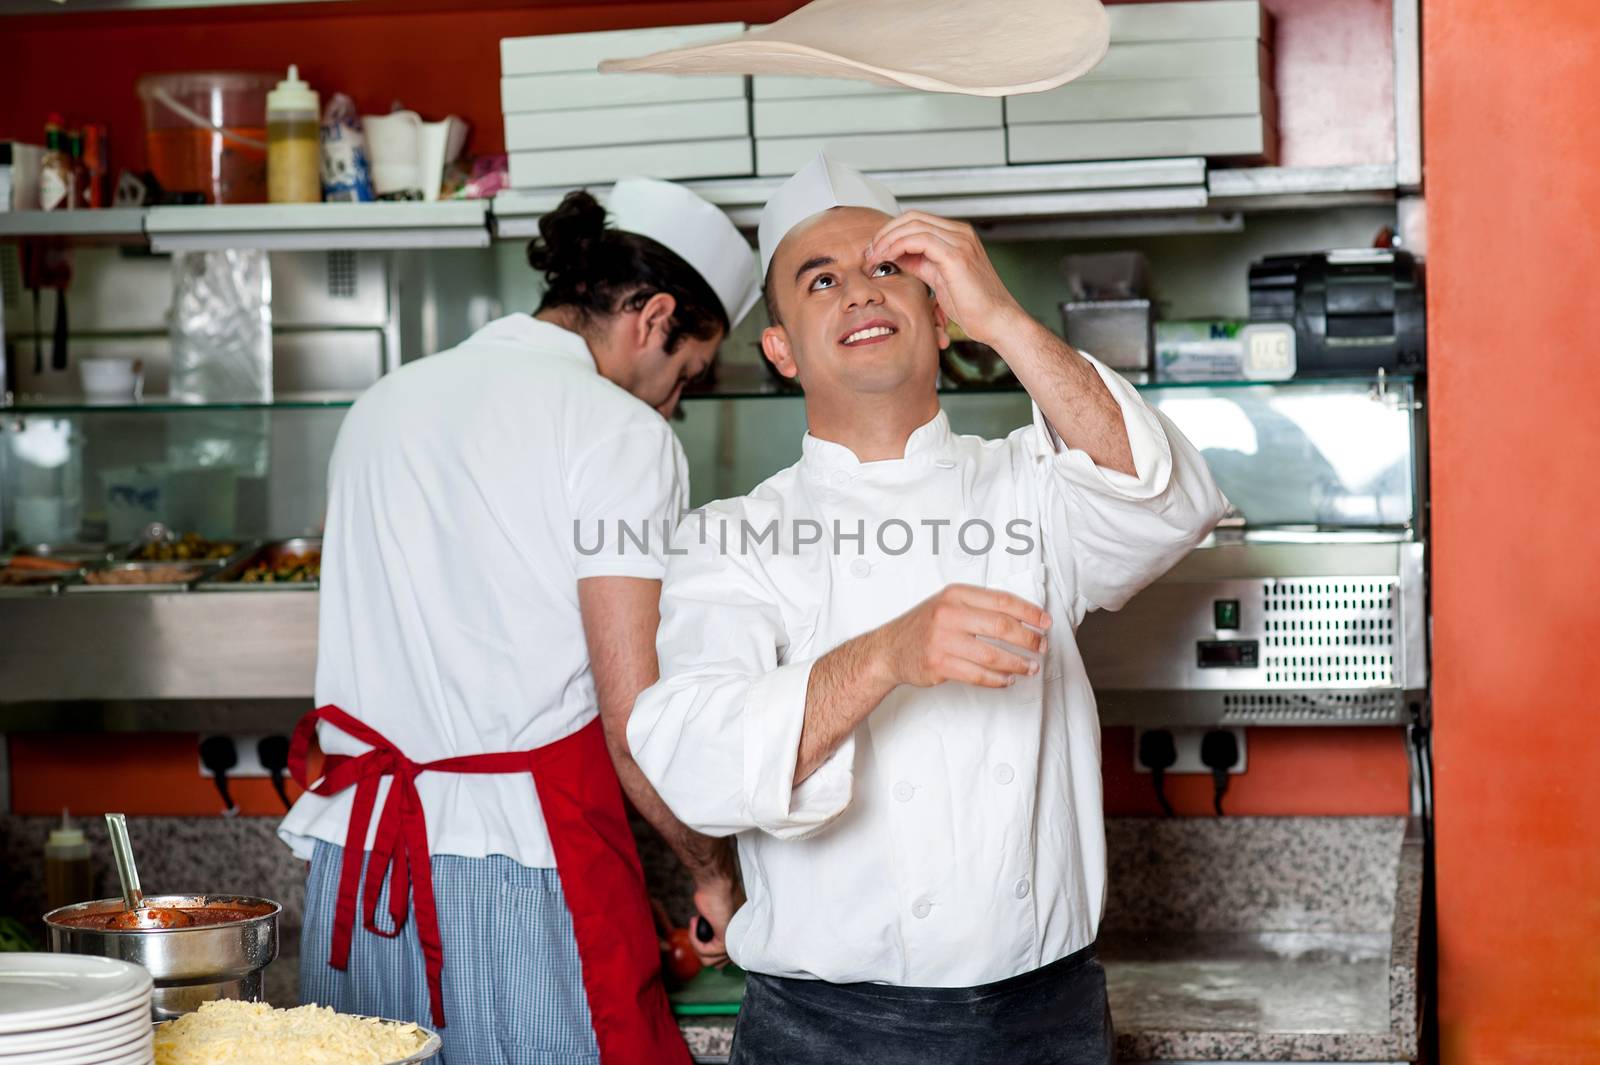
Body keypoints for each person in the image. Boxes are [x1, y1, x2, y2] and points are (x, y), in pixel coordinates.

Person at [626, 155, 1230, 1064]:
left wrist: (1007, 319)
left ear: (938, 313)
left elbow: (1166, 502)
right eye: (820, 280)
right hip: (822, 1032)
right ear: (783, 349)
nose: (860, 294)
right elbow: (694, 761)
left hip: (1044, 1019)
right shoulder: (733, 536)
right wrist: (885, 656)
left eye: (885, 268)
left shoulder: (1029, 482)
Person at [277, 177, 759, 1065]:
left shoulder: (383, 403)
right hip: (519, 873)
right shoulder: (619, 432)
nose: (672, 405)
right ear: (653, 317)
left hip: (359, 862)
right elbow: (634, 722)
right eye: (684, 375)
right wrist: (713, 874)